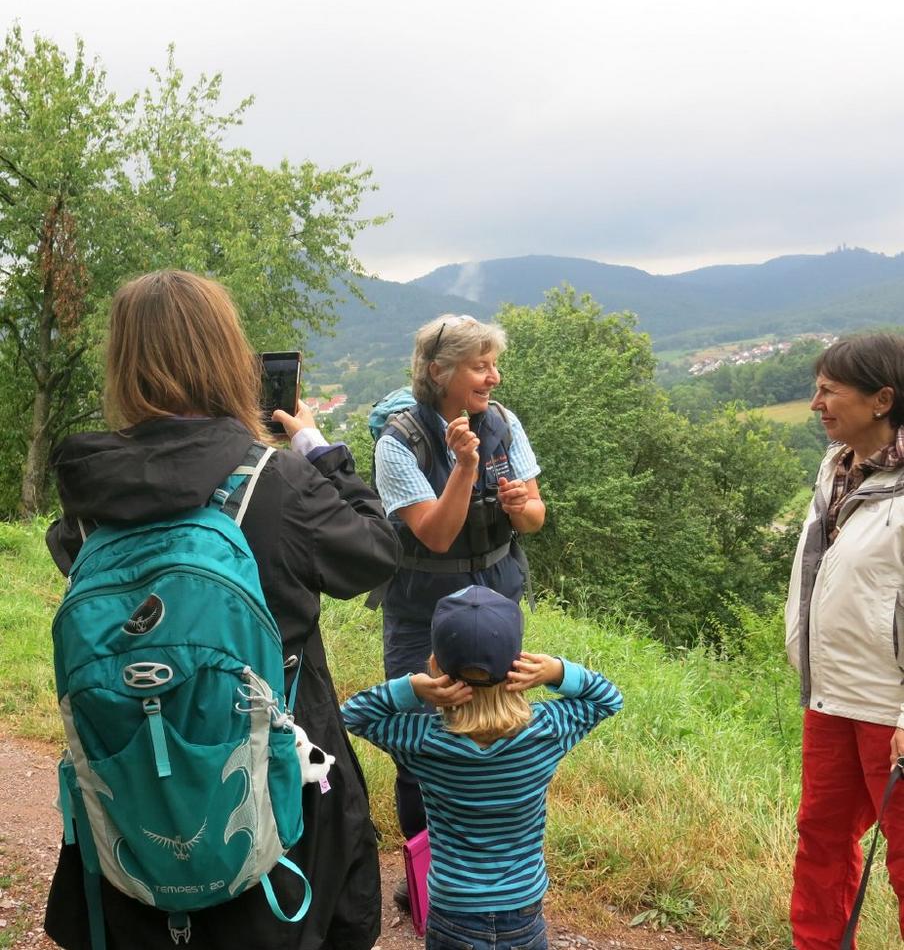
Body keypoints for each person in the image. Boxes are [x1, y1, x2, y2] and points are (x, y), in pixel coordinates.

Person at [43, 270, 401, 950]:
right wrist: (318, 448)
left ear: (124, 363)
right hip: (279, 791)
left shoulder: (88, 492)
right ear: (227, 357)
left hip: (135, 788)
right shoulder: (280, 481)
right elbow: (375, 551)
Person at [342, 584, 623, 950]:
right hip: (522, 912)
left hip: (451, 912)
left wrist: (414, 688)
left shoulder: (423, 740)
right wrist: (557, 672)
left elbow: (351, 715)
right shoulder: (547, 731)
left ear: (436, 667)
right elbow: (608, 698)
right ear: (519, 667)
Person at [373, 313, 546, 863]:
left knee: (495, 730)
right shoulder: (398, 443)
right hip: (420, 613)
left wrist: (523, 508)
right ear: (438, 371)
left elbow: (537, 516)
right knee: (419, 740)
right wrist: (466, 467)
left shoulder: (503, 422)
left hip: (494, 605)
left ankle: (490, 862)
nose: (493, 377)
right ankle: (427, 874)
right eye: (481, 366)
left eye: (494, 364)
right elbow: (437, 535)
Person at [785, 333, 904, 949]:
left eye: (830, 390)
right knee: (821, 836)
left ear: (882, 399)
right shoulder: (837, 469)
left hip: (891, 708)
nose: (815, 403)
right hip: (831, 695)